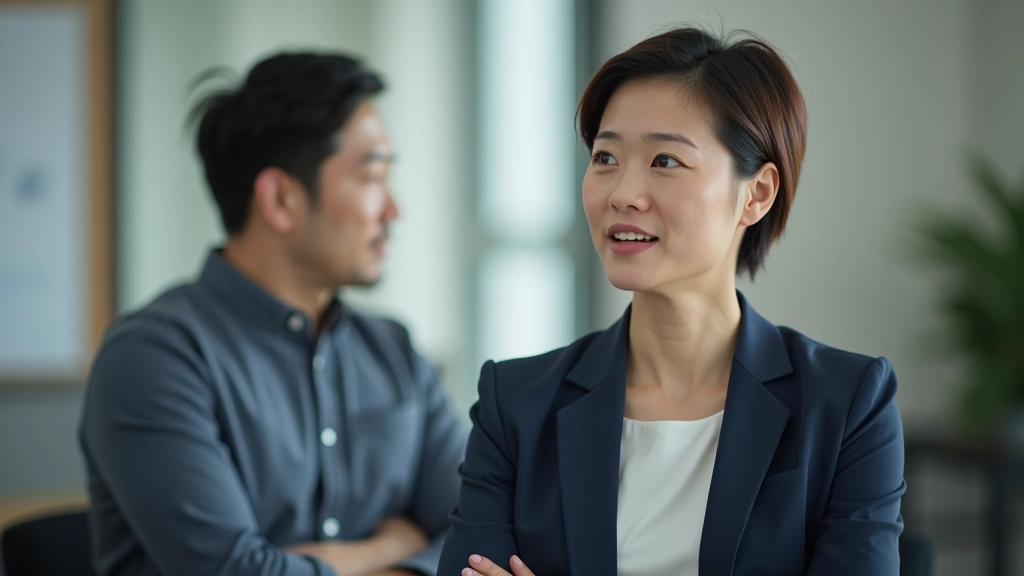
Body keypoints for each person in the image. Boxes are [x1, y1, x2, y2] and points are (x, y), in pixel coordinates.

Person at [438, 27, 905, 576]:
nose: (621, 193)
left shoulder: (846, 404)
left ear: (755, 194)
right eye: (606, 157)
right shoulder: (516, 404)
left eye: (665, 161)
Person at [79, 52, 467, 576]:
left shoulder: (394, 350)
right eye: (373, 177)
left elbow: (483, 533)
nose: (393, 211)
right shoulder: (154, 358)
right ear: (280, 199)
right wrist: (386, 548)